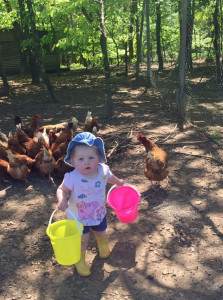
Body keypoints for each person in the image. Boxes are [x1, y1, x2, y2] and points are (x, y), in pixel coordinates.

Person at [57, 132, 124, 276]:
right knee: (83, 239)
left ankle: (103, 243)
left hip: (98, 212)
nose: (86, 162)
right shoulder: (73, 177)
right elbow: (61, 189)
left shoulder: (103, 171)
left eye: (91, 158)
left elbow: (110, 178)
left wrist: (119, 183)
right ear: (73, 161)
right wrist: (62, 199)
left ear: (99, 158)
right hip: (78, 217)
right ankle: (79, 259)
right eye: (80, 159)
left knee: (101, 230)